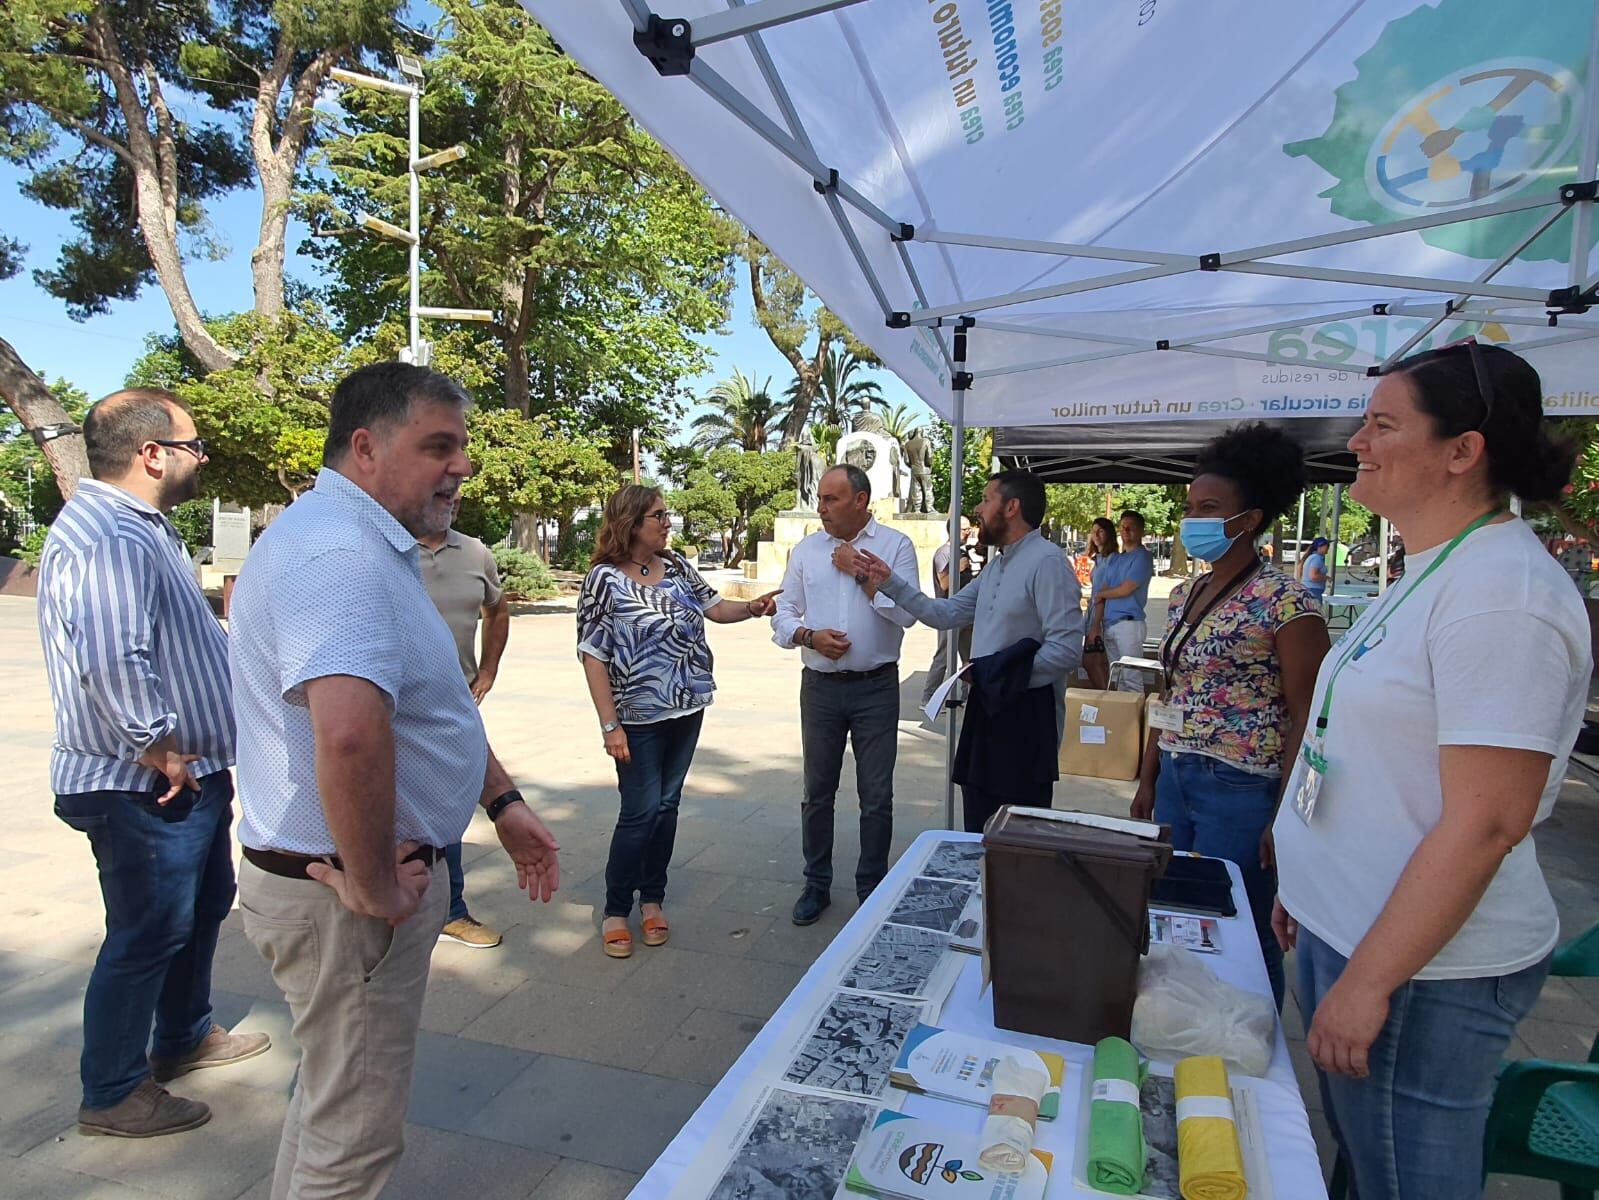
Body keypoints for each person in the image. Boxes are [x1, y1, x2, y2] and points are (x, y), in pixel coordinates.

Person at [229, 362, 560, 1198]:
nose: (462, 467)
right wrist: (374, 883)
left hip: (357, 886)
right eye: (439, 446)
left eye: (463, 447)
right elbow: (348, 736)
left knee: (330, 1106)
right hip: (347, 899)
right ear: (366, 447)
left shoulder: (365, 541)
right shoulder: (338, 552)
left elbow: (427, 707)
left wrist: (502, 801)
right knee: (353, 1140)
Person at [1272, 342, 1587, 1199]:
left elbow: (1487, 821)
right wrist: (1308, 884)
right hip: (1357, 933)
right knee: (1364, 1161)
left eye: (1381, 424)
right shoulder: (1434, 565)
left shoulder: (1501, 596)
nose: (1356, 442)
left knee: (1407, 1177)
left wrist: (1370, 977)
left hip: (1422, 972)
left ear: (1461, 449)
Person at [37, 388, 269, 1138]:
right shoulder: (108, 533)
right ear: (152, 455)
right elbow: (112, 653)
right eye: (194, 446)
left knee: (197, 910)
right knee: (145, 932)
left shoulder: (144, 528)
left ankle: (183, 1036)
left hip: (181, 776)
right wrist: (158, 746)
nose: (201, 458)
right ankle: (111, 1091)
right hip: (141, 783)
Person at [1131, 423, 1330, 1008]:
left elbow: (1308, 716)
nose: (1194, 519)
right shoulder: (1184, 594)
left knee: (1239, 923)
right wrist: (1148, 776)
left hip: (1242, 788)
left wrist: (1286, 817)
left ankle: (1254, 1032)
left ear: (1251, 518)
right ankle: (1183, 1014)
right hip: (1176, 777)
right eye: (1191, 506)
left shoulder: (1289, 603)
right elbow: (1168, 691)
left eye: (1210, 508)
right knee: (1172, 910)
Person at [578, 485, 779, 956]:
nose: (668, 523)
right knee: (639, 811)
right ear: (631, 522)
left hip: (687, 708)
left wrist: (751, 609)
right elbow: (591, 655)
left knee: (667, 806)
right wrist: (610, 726)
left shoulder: (681, 567)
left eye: (666, 515)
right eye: (658, 516)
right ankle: (614, 908)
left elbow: (715, 608)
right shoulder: (603, 580)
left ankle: (652, 899)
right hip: (637, 718)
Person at [854, 470, 1083, 833]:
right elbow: (942, 614)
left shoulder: (1048, 562)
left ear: (1011, 507)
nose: (977, 508)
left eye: (986, 499)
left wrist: (1005, 678)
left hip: (1025, 721)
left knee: (1015, 840)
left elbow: (1067, 650)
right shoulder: (997, 566)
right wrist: (890, 581)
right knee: (977, 830)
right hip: (985, 711)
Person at [771, 464, 920, 925]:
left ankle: (871, 889)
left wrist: (860, 573)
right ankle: (816, 884)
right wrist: (807, 636)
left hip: (875, 688)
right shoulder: (807, 550)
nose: (821, 508)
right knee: (817, 792)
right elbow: (783, 612)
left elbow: (908, 613)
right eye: (820, 499)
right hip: (819, 688)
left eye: (831, 500)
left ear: (860, 501)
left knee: (876, 795)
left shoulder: (895, 545)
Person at [418, 501, 511, 949]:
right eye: (439, 494)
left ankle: (450, 911)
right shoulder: (385, 547)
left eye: (455, 496)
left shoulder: (476, 554)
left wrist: (488, 669)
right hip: (389, 709)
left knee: (447, 805)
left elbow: (498, 612)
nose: (449, 502)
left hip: (455, 706)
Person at [919, 516, 975, 709]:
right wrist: (958, 569)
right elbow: (944, 583)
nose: (968, 533)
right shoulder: (944, 553)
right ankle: (929, 698)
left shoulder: (960, 552)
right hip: (949, 613)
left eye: (969, 529)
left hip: (966, 614)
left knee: (970, 657)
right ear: (954, 530)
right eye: (964, 529)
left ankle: (968, 696)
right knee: (944, 655)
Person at [1090, 510, 1155, 669]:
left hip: (1129, 624)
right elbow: (1105, 586)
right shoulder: (1116, 559)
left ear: (1141, 531)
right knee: (1117, 677)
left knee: (1131, 677)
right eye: (1123, 527)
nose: (1125, 531)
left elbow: (1126, 589)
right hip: (1109, 624)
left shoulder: (1143, 556)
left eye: (1131, 527)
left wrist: (1101, 595)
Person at [1081, 517, 1118, 690]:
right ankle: (1105, 696)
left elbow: (1104, 594)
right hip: (1092, 614)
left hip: (1101, 616)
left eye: (1100, 531)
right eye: (1093, 531)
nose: (1095, 535)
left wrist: (1096, 624)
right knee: (1097, 662)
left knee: (1092, 661)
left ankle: (1105, 697)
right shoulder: (1099, 560)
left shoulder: (1113, 560)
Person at [1299, 536, 1330, 601]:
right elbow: (1313, 576)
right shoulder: (1317, 558)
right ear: (1320, 546)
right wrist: (1326, 577)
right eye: (1327, 546)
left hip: (1309, 589)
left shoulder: (1312, 557)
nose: (1328, 548)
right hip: (1314, 590)